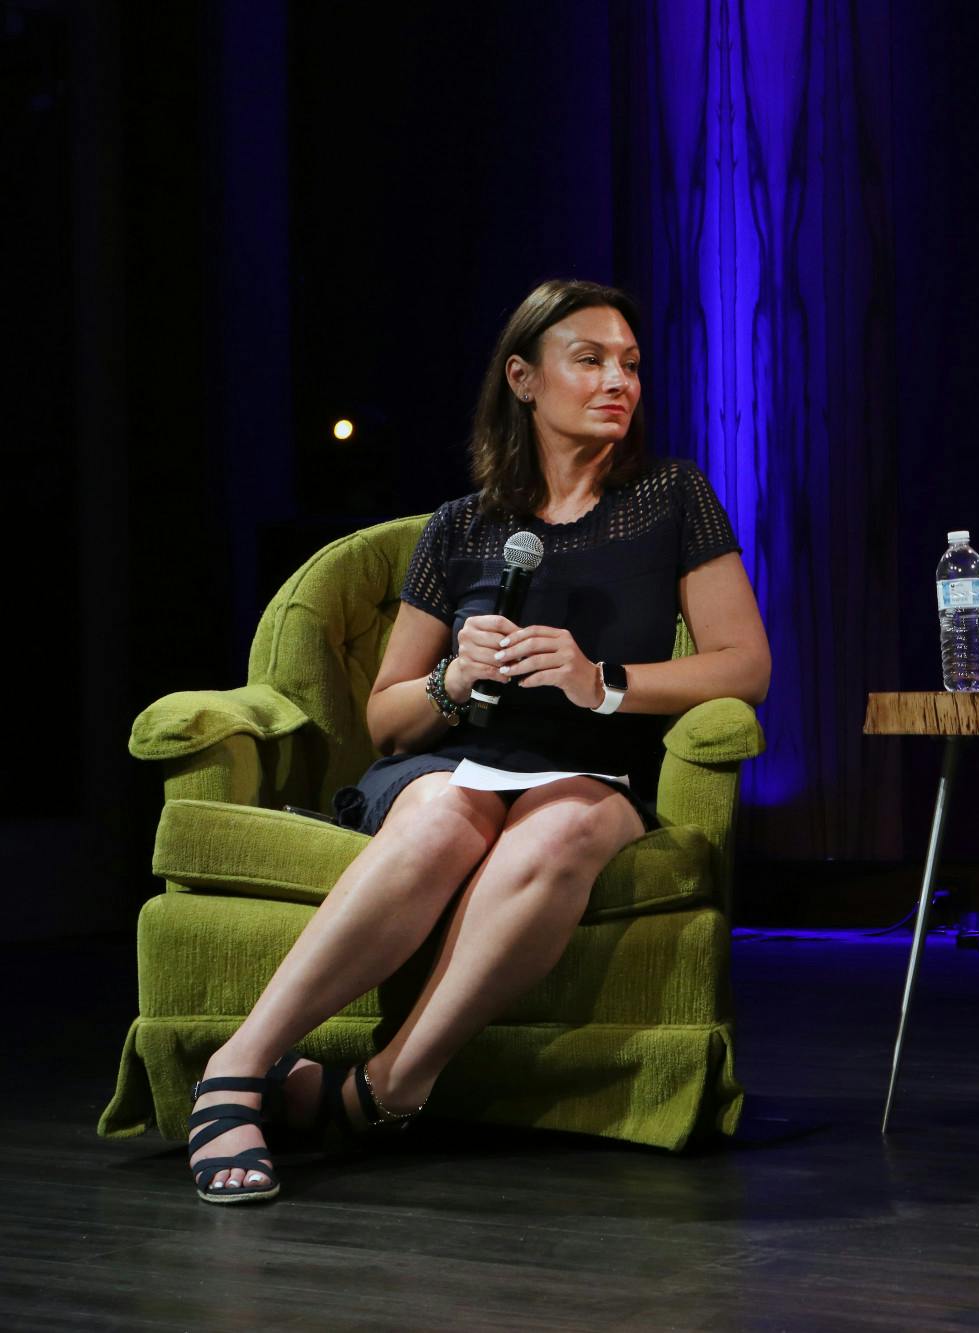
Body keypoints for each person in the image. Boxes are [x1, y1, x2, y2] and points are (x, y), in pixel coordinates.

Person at [186, 280, 771, 1204]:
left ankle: (390, 1084)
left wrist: (604, 682)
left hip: (591, 770)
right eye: (591, 359)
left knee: (562, 825)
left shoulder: (671, 497)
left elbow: (745, 666)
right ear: (524, 378)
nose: (619, 380)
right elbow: (387, 720)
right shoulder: (460, 528)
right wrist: (452, 680)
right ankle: (238, 1066)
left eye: (631, 364)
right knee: (445, 812)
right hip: (451, 763)